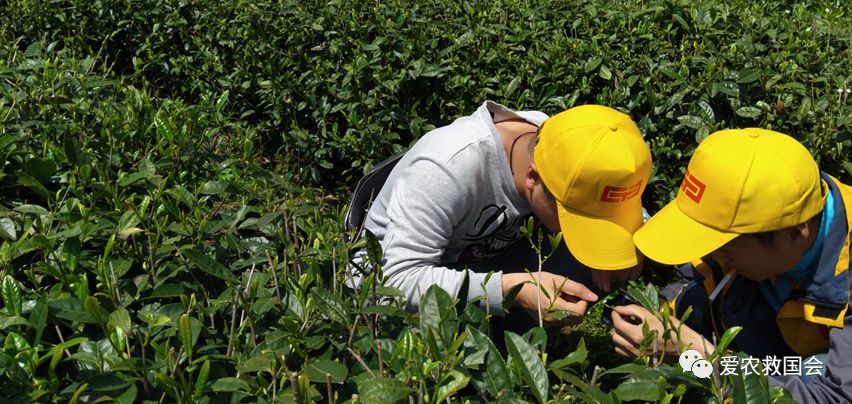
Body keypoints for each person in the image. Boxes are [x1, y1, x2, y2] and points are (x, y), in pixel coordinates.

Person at [347, 101, 652, 326]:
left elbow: (626, 206)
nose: (585, 229)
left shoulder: (567, 151)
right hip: (395, 279)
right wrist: (511, 290)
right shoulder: (447, 167)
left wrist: (620, 246)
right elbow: (391, 284)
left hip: (487, 255)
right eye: (575, 215)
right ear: (533, 178)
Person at [610, 128, 852, 402]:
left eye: (723, 247)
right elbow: (694, 276)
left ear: (795, 232)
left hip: (826, 376)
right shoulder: (761, 211)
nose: (712, 253)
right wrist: (659, 318)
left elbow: (836, 397)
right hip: (778, 353)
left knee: (813, 370)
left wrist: (696, 355)